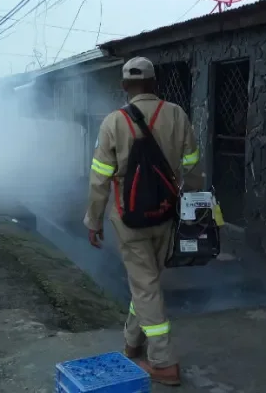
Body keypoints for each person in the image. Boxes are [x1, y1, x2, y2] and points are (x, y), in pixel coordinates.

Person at [83, 56, 204, 386]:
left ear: (124, 87)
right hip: (166, 214)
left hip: (128, 218)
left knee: (145, 284)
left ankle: (163, 362)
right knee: (147, 282)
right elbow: (192, 166)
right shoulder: (176, 114)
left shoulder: (114, 122)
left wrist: (93, 220)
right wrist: (190, 204)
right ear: (154, 83)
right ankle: (133, 342)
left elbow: (99, 180)